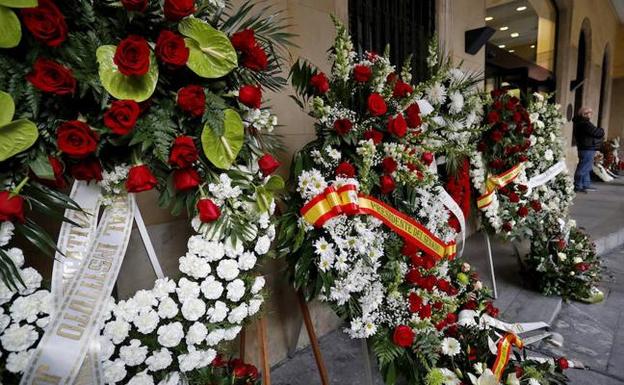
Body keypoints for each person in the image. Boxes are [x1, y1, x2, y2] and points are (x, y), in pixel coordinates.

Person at [573, 106, 604, 192]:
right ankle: (578, 185)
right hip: (586, 148)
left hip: (587, 147)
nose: (591, 114)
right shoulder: (584, 123)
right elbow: (596, 132)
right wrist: (601, 130)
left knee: (587, 167)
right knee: (583, 167)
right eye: (590, 113)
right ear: (584, 114)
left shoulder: (583, 122)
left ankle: (585, 184)